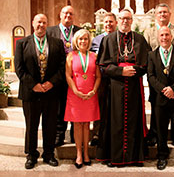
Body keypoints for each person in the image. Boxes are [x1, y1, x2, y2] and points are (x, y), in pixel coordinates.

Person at [96, 9, 150, 167]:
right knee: (115, 121)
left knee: (134, 121)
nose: (125, 21)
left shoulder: (139, 39)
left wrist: (133, 71)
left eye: (128, 18)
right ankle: (116, 157)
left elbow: (146, 65)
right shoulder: (108, 40)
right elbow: (103, 66)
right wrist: (121, 71)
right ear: (118, 21)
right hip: (115, 87)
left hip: (134, 86)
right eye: (122, 18)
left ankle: (135, 157)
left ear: (132, 21)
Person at [14, 14, 66, 169]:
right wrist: (34, 85)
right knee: (31, 125)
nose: (41, 25)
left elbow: (62, 66)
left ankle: (49, 154)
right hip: (31, 93)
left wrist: (51, 83)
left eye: (44, 22)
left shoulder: (57, 43)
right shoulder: (22, 43)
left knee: (50, 125)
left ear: (47, 24)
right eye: (38, 22)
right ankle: (31, 154)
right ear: (33, 24)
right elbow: (19, 68)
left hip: (51, 92)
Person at [144, 3, 174, 147]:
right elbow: (147, 53)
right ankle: (155, 134)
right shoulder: (148, 32)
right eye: (159, 12)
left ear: (169, 14)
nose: (162, 15)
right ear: (155, 15)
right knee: (157, 105)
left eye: (165, 12)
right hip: (157, 79)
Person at [147, 26, 174, 171]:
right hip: (160, 99)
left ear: (171, 37)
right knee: (161, 130)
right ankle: (162, 156)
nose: (164, 38)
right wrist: (163, 89)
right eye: (162, 35)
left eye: (167, 35)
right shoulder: (152, 55)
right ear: (158, 38)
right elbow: (151, 76)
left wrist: (173, 89)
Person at [64, 29, 101, 169]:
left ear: (89, 41)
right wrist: (75, 90)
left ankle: (86, 153)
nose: (83, 41)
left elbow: (98, 76)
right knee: (77, 125)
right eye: (80, 39)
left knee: (87, 125)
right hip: (75, 94)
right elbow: (68, 75)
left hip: (90, 94)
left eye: (85, 39)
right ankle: (78, 154)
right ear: (76, 41)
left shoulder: (94, 56)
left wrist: (94, 90)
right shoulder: (71, 56)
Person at [47, 5, 82, 147]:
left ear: (74, 16)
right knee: (60, 106)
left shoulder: (80, 31)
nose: (68, 16)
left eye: (71, 14)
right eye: (65, 13)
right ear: (60, 15)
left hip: (77, 75)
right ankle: (59, 135)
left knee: (76, 105)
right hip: (58, 75)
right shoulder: (50, 32)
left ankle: (75, 135)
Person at [89, 12, 118, 146]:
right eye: (106, 22)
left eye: (111, 22)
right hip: (101, 79)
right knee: (100, 107)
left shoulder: (120, 38)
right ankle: (97, 133)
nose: (108, 24)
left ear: (116, 23)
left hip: (117, 79)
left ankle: (114, 135)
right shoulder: (96, 40)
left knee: (115, 108)